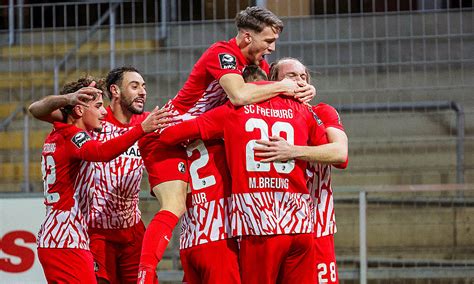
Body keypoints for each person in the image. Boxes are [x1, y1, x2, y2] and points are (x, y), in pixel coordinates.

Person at [136, 6, 315, 282]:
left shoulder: (259, 66)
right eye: (268, 41)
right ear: (246, 37)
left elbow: (270, 93)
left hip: (200, 135)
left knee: (201, 220)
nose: (272, 48)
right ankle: (145, 274)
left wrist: (304, 89)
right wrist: (284, 86)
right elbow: (240, 95)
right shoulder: (222, 53)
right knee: (174, 206)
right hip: (166, 133)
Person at [158, 79, 331, 283]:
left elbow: (169, 135)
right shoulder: (300, 108)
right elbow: (336, 153)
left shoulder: (231, 111)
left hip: (260, 224)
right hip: (301, 224)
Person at [29, 67, 161, 284]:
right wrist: (69, 98)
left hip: (122, 229)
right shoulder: (78, 131)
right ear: (115, 90)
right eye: (134, 85)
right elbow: (36, 109)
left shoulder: (70, 129)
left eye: (144, 86)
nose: (142, 92)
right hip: (80, 233)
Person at [257, 57, 349, 284]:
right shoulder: (259, 116)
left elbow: (340, 154)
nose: (299, 81)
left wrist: (291, 151)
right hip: (270, 226)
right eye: (291, 76)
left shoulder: (322, 112)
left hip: (316, 224)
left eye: (303, 76)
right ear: (274, 82)